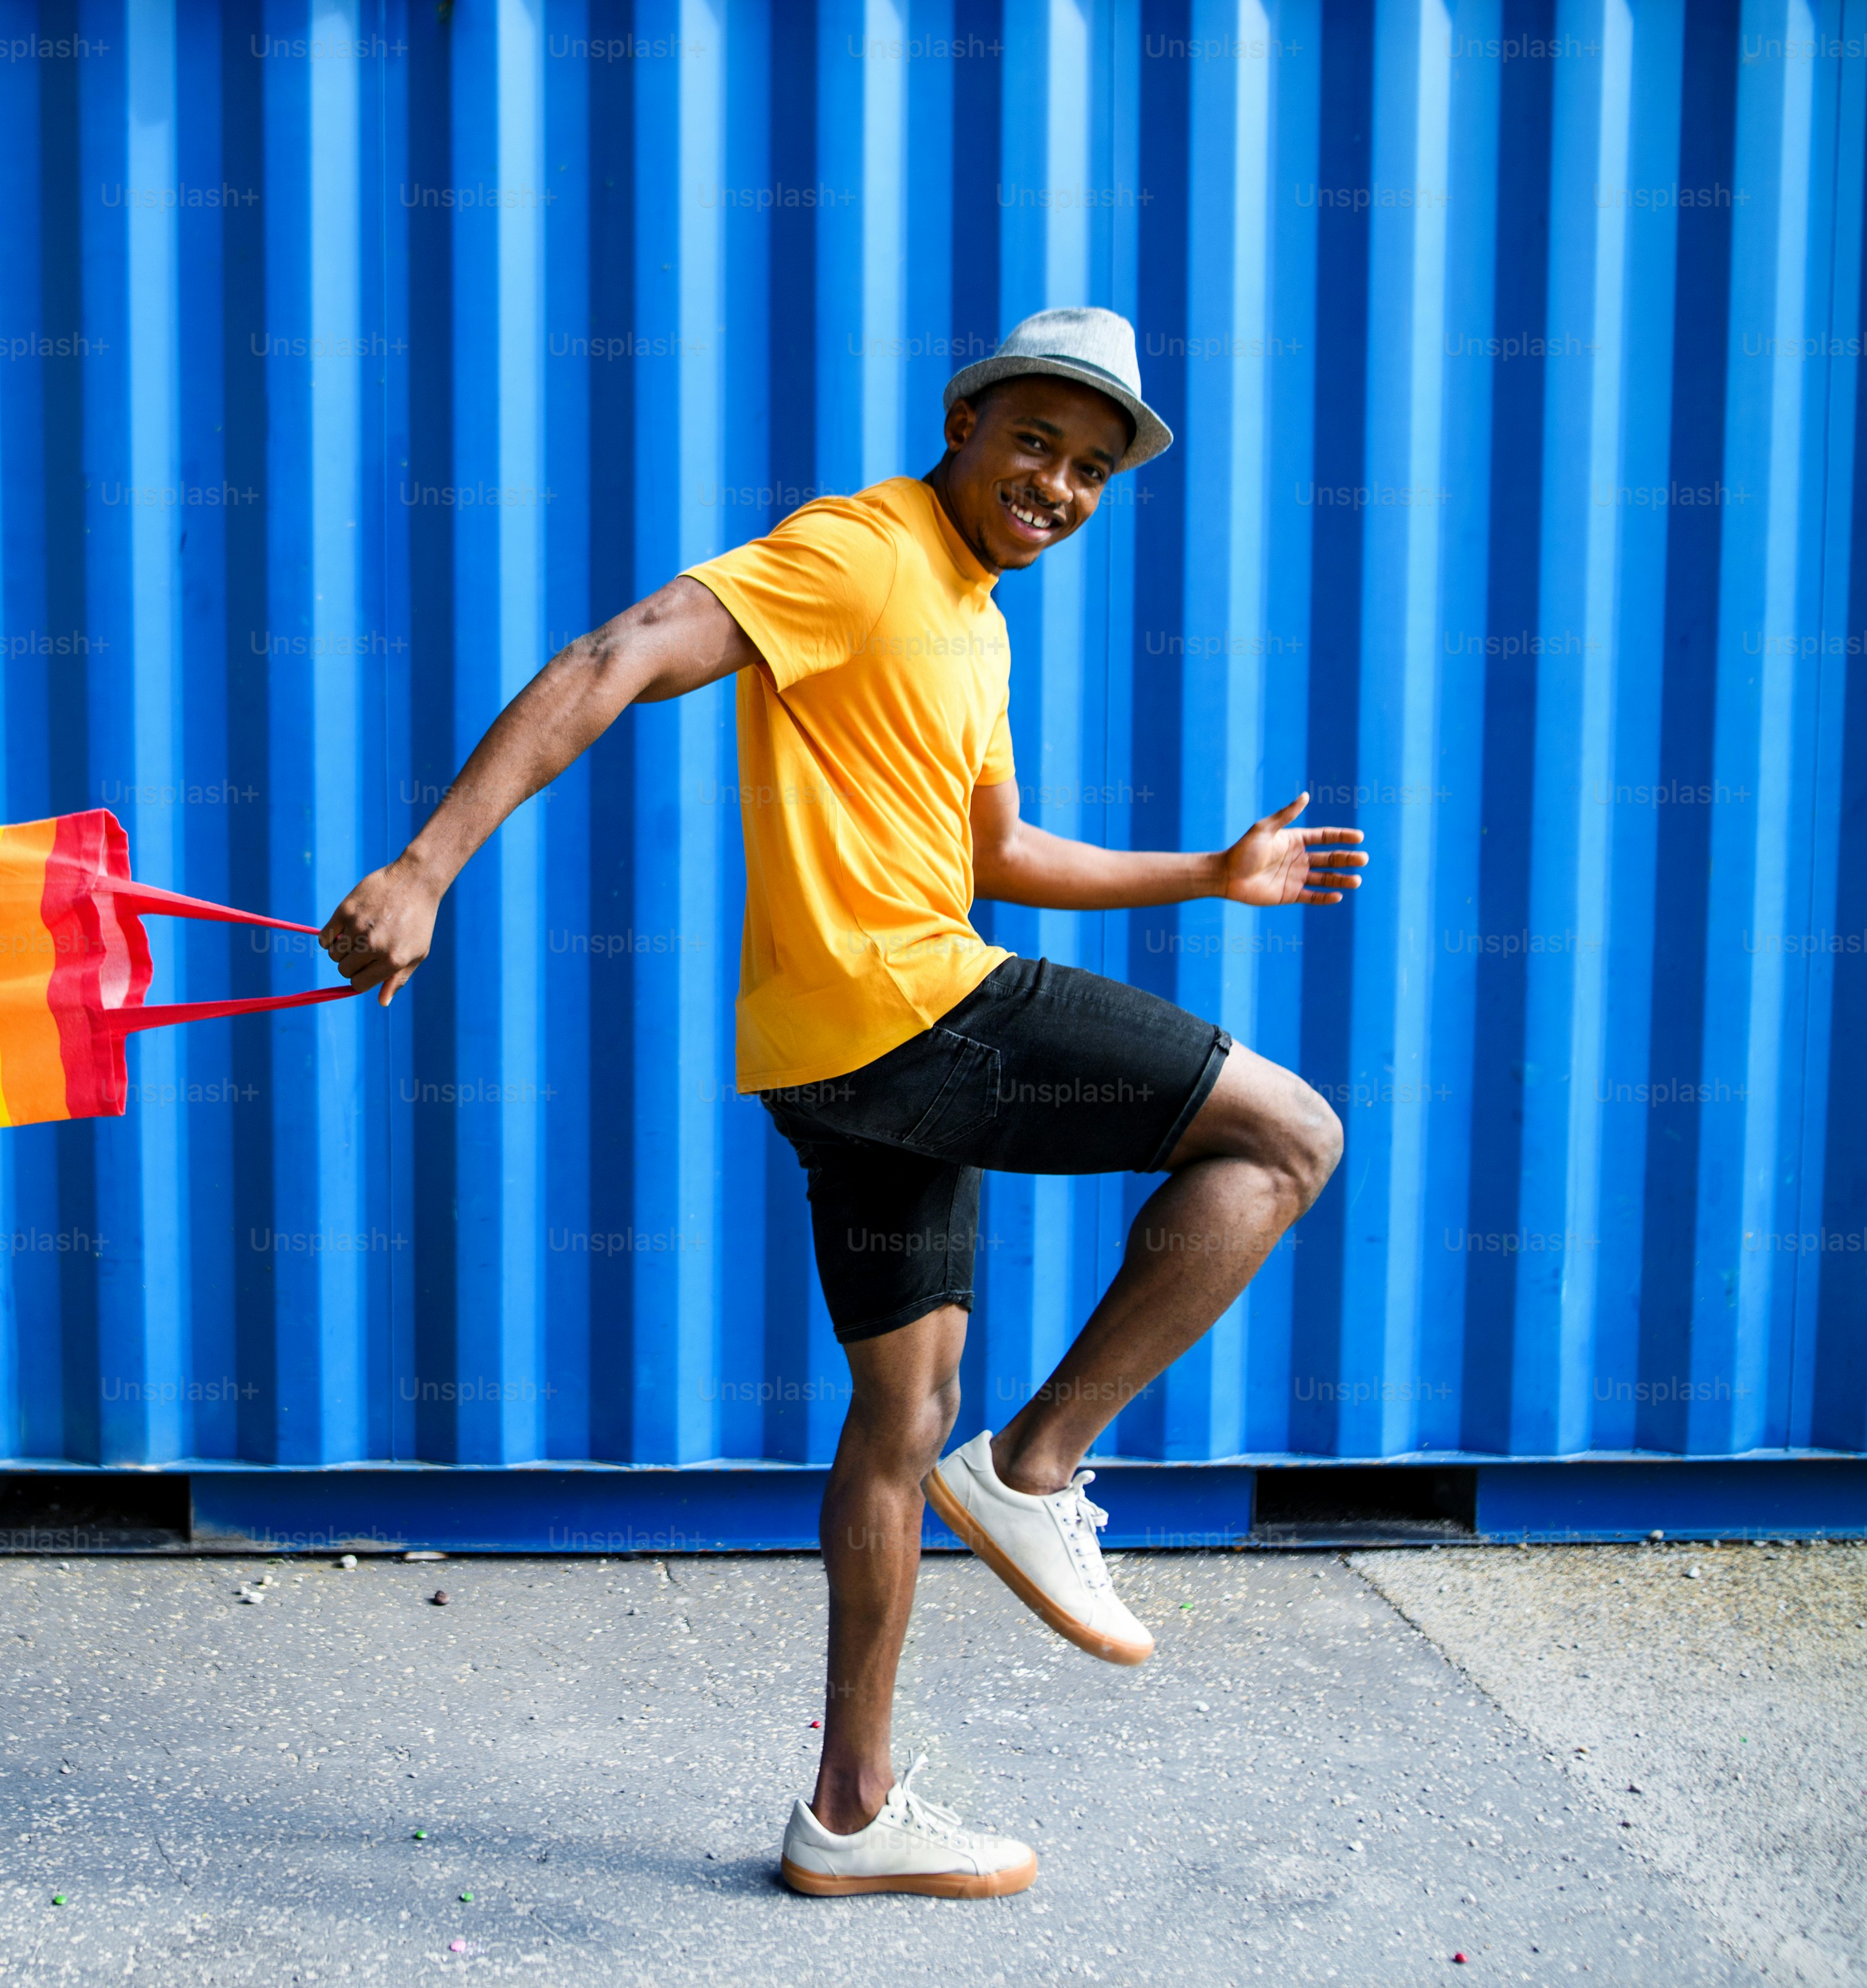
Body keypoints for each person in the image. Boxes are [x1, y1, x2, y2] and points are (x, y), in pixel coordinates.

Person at [317, 307, 1361, 1899]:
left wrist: (1208, 875)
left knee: (897, 1422)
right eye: (1035, 442)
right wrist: (427, 862)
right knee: (1290, 1134)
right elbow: (621, 654)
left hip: (836, 1071)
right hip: (914, 1013)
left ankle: (849, 1812)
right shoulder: (860, 553)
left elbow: (993, 852)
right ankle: (1039, 1471)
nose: (1058, 485)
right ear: (965, 421)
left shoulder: (974, 614)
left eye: (1090, 469)